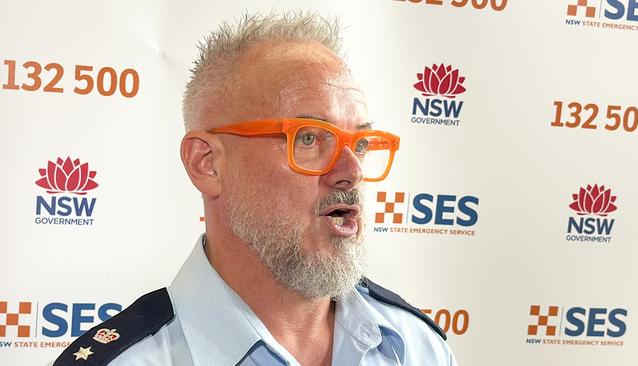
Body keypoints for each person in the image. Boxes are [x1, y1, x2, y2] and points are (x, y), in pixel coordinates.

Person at [52, 11, 457, 366]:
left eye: (362, 144)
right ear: (206, 163)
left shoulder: (417, 347)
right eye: (310, 138)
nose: (351, 171)